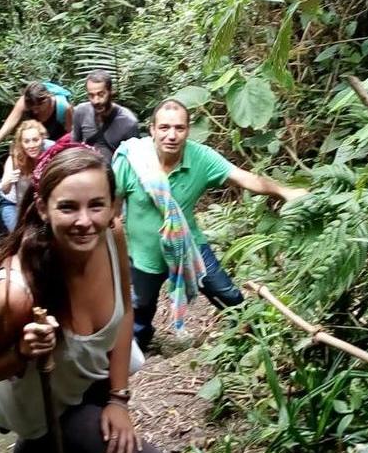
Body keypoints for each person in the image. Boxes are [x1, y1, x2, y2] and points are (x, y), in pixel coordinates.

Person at [0, 142, 186, 453]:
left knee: (39, 444)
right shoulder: (18, 291)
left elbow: (124, 315)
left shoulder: (112, 235)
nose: (85, 221)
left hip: (84, 373)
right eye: (68, 207)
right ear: (42, 207)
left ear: (114, 207)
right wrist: (22, 351)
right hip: (40, 398)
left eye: (97, 205)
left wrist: (118, 399)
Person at [113, 98, 309, 350]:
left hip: (189, 246)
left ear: (188, 130)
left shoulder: (201, 158)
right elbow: (112, 210)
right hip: (144, 256)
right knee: (140, 309)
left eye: (179, 128)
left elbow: (245, 179)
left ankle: (250, 340)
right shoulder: (132, 160)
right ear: (151, 129)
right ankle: (136, 351)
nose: (171, 135)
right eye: (164, 128)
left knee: (228, 295)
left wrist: (284, 191)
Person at [0, 81, 73, 159]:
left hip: (56, 146)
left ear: (47, 99)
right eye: (32, 108)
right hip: (31, 145)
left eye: (38, 107)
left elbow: (71, 136)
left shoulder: (64, 107)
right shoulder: (24, 102)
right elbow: (6, 128)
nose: (35, 111)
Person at [0, 120, 54, 234]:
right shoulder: (16, 158)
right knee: (21, 235)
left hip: (35, 198)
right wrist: (9, 180)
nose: (32, 145)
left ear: (42, 139)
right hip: (10, 200)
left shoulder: (51, 150)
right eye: (27, 141)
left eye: (35, 140)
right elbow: (7, 190)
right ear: (21, 143)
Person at [71, 70, 140, 163]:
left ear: (111, 91)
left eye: (101, 94)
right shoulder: (80, 112)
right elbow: (74, 146)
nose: (96, 101)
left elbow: (134, 159)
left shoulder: (128, 122)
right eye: (91, 95)